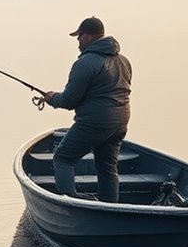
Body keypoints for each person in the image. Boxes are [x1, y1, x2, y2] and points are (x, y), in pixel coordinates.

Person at [43, 17, 132, 203]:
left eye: (79, 36)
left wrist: (52, 98)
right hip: (120, 121)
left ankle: (70, 203)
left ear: (89, 36)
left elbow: (69, 100)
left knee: (63, 158)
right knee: (107, 167)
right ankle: (111, 208)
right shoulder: (123, 61)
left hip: (95, 122)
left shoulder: (85, 63)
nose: (78, 41)